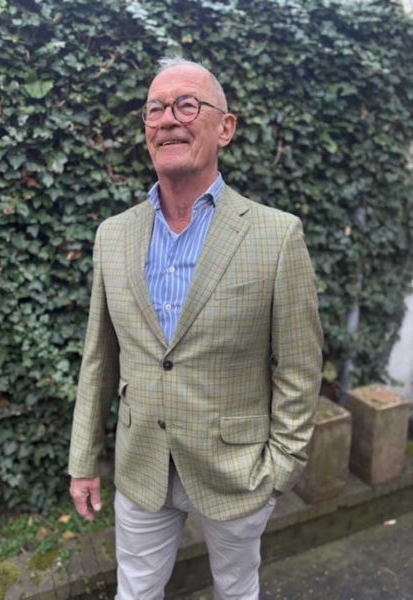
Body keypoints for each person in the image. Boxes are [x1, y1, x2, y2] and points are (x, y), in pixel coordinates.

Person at [69, 56, 323, 600]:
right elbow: (99, 358)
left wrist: (281, 468)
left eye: (187, 105)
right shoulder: (112, 236)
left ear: (224, 128)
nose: (167, 119)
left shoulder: (276, 236)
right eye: (154, 109)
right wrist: (83, 460)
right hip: (141, 466)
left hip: (238, 471)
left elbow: (300, 366)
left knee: (236, 589)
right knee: (135, 592)